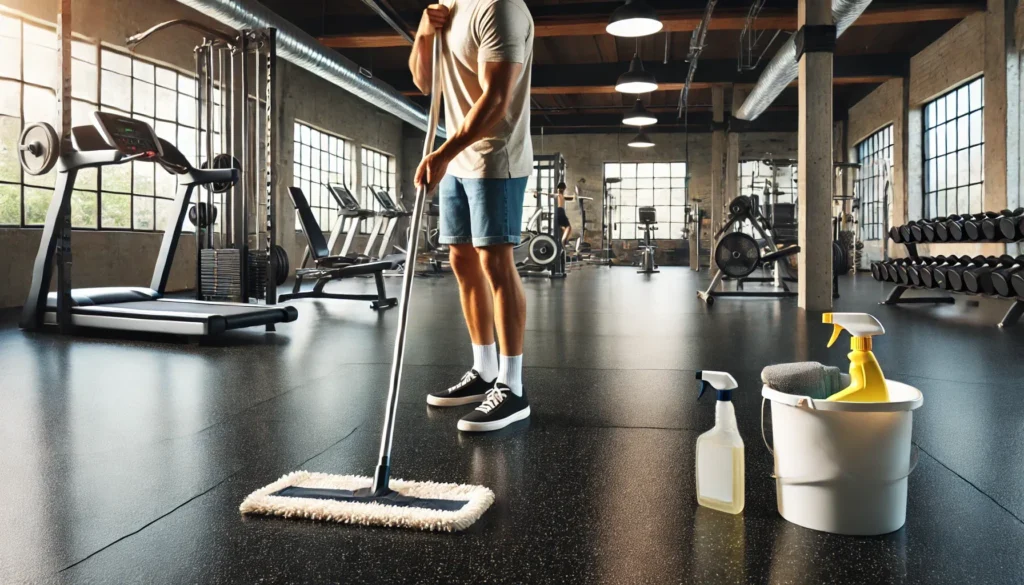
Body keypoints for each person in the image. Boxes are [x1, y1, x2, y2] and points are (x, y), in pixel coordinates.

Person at [409, 0, 534, 432]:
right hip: (459, 159)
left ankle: (512, 387)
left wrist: (443, 152)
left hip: (495, 157)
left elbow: (497, 98)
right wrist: (425, 32)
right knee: (462, 262)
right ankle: (482, 371)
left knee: (495, 262)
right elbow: (424, 81)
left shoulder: (499, 8)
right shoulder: (447, 7)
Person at [554, 181, 574, 246]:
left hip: (560, 210)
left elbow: (569, 198)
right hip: (560, 211)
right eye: (564, 189)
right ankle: (564, 241)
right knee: (568, 227)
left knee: (565, 228)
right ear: (562, 188)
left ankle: (563, 241)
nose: (564, 190)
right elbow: (551, 194)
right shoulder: (558, 193)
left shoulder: (562, 195)